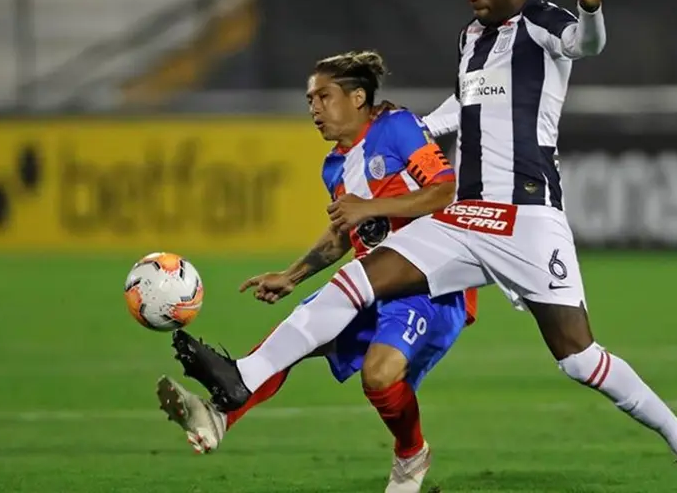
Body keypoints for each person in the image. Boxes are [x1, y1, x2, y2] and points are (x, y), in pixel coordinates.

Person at [170, 0, 677, 491]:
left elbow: (586, 46)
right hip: (465, 218)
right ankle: (243, 376)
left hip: (527, 218)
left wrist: (590, 7)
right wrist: (404, 129)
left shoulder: (545, 23)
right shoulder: (471, 39)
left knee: (579, 359)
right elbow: (461, 109)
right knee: (358, 281)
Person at [159, 50, 478, 493]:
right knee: (294, 341)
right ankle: (219, 416)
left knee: (379, 377)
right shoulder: (334, 166)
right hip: (369, 284)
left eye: (323, 97)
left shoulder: (397, 127)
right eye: (310, 99)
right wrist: (292, 275)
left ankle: (411, 453)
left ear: (358, 97)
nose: (313, 108)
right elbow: (344, 235)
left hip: (428, 283)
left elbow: (444, 191)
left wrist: (370, 206)